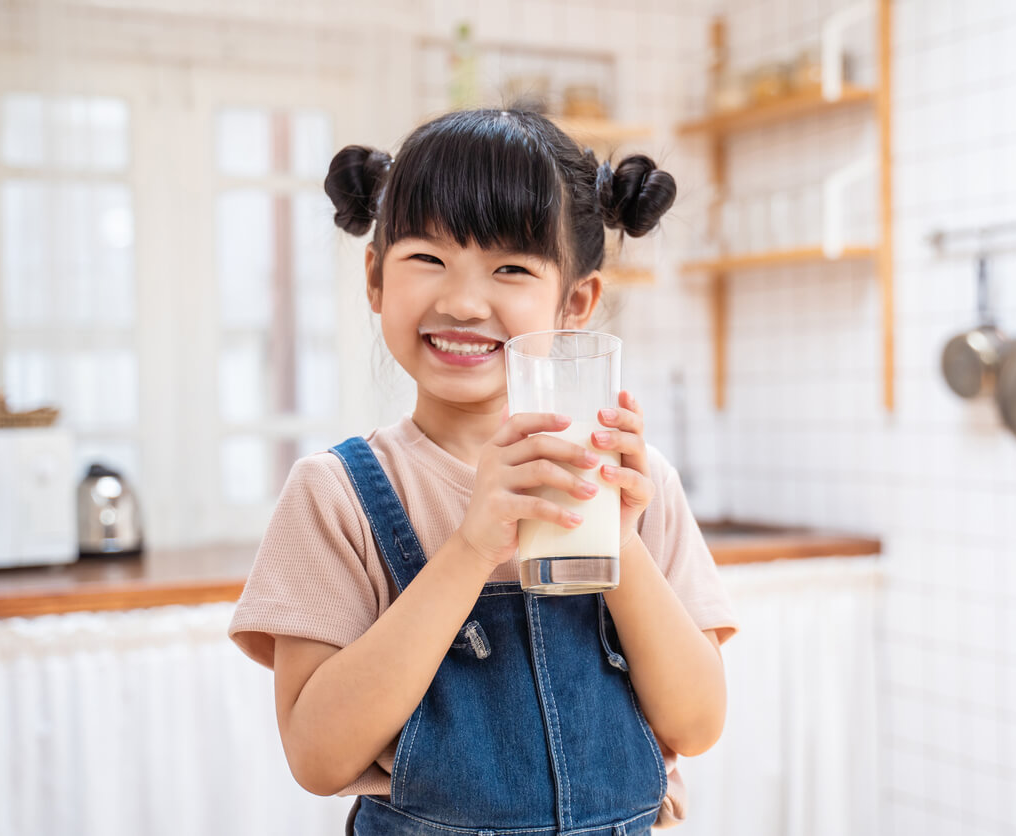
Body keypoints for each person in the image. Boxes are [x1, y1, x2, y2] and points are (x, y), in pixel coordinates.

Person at [229, 107, 738, 836]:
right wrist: (471, 547)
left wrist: (617, 541)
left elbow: (696, 724)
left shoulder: (636, 482)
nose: (464, 302)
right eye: (427, 259)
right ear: (374, 279)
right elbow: (318, 757)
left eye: (510, 269)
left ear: (576, 304)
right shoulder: (336, 495)